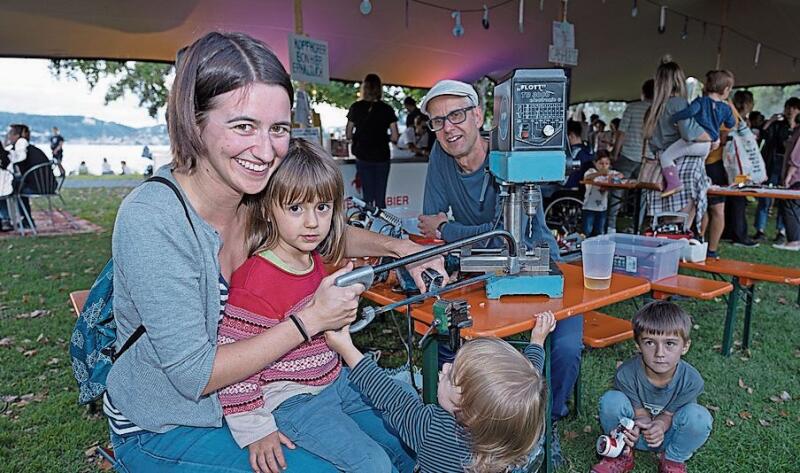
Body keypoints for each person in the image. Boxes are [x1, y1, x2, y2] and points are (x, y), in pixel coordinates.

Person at [104, 31, 444, 473]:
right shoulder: (154, 219)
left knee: (412, 443)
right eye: (243, 125)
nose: (266, 152)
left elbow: (324, 235)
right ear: (194, 120)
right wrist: (310, 321)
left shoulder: (252, 194)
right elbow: (196, 375)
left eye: (278, 129)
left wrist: (401, 248)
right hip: (173, 422)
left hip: (270, 393)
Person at [416, 79, 583, 465]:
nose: (448, 128)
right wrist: (450, 233)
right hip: (479, 271)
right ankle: (461, 425)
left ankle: (545, 424)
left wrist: (449, 229)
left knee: (568, 346)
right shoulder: (441, 158)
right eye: (438, 121)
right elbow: (431, 226)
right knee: (447, 332)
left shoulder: (512, 149)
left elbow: (507, 236)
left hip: (541, 264)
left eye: (456, 115)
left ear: (478, 116)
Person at [218, 139, 409, 473]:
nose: (312, 223)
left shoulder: (313, 258)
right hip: (292, 399)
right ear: (267, 209)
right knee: (373, 464)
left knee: (405, 440)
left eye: (322, 207)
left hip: (333, 379)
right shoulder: (256, 278)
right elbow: (235, 358)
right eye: (296, 208)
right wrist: (255, 429)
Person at [324, 310, 556, 473]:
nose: (444, 368)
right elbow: (523, 381)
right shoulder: (506, 431)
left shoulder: (431, 429)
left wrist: (346, 348)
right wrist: (536, 342)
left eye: (452, 375)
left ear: (466, 409)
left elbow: (389, 396)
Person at [590, 301, 712, 473]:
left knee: (699, 417)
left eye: (669, 343)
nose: (659, 353)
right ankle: (620, 453)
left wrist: (660, 426)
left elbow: (669, 415)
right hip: (634, 436)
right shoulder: (626, 373)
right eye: (650, 342)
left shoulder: (692, 380)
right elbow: (639, 413)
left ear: (685, 346)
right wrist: (635, 426)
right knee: (611, 400)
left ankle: (673, 460)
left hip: (671, 436)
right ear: (638, 345)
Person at [642, 57, 712, 231]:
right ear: (678, 81)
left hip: (662, 167)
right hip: (685, 165)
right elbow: (689, 133)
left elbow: (650, 142)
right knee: (682, 221)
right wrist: (710, 137)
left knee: (664, 221)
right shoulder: (679, 104)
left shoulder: (653, 109)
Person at [658, 70, 736, 197]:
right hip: (707, 146)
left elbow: (688, 112)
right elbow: (730, 124)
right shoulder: (726, 108)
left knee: (666, 157)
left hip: (695, 142)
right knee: (700, 166)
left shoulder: (701, 102)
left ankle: (673, 183)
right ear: (726, 89)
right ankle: (702, 185)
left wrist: (673, 119)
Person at [346, 73, 399, 208]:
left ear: (364, 88)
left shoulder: (355, 107)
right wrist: (383, 137)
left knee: (367, 198)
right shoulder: (387, 109)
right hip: (382, 156)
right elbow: (395, 136)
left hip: (363, 156)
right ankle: (382, 227)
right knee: (380, 198)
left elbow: (348, 133)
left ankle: (368, 226)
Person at [715, 90, 759, 251]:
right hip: (737, 166)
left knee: (730, 197)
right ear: (748, 104)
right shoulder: (738, 119)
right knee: (739, 197)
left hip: (726, 163)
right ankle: (740, 234)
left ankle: (728, 230)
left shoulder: (730, 114)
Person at [753, 97, 800, 244]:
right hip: (774, 163)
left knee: (785, 200)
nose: (790, 111)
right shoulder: (778, 125)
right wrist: (770, 121)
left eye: (794, 108)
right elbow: (763, 136)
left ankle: (782, 231)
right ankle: (760, 229)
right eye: (788, 107)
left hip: (790, 167)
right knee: (765, 197)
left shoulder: (798, 129)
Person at [609, 79, 654, 233]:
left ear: (643, 92)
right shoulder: (658, 109)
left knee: (616, 192)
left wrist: (615, 152)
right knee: (642, 196)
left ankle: (611, 226)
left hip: (627, 155)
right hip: (648, 159)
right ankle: (636, 227)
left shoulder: (632, 107)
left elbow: (622, 133)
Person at [2, 124, 54, 229]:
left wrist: (5, 146)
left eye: (10, 134)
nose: (8, 137)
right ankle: (24, 219)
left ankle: (6, 219)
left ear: (16, 136)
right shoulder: (31, 149)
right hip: (50, 185)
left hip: (38, 187)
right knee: (13, 186)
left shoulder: (21, 147)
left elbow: (18, 159)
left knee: (6, 187)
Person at [582, 151, 623, 237]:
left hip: (602, 208)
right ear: (595, 163)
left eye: (606, 164)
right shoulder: (591, 171)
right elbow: (587, 177)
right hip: (589, 207)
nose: (604, 166)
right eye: (601, 163)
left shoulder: (609, 173)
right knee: (587, 230)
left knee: (600, 231)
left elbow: (620, 175)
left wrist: (614, 177)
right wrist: (599, 173)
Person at [774, 125, 800, 250]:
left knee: (790, 206)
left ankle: (794, 241)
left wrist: (789, 175)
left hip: (797, 176)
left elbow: (797, 156)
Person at [565, 120, 594, 189]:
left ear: (571, 136)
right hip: (582, 186)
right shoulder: (589, 149)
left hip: (569, 185)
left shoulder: (574, 152)